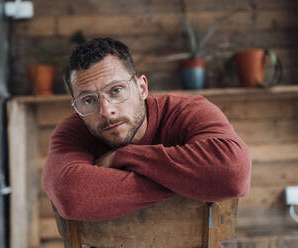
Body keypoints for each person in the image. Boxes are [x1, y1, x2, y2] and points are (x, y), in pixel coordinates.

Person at [42, 37, 251, 222]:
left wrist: (123, 156)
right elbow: (69, 194)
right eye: (88, 100)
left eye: (116, 90)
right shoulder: (73, 131)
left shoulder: (188, 110)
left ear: (142, 88)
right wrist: (187, 183)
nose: (106, 111)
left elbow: (234, 173)